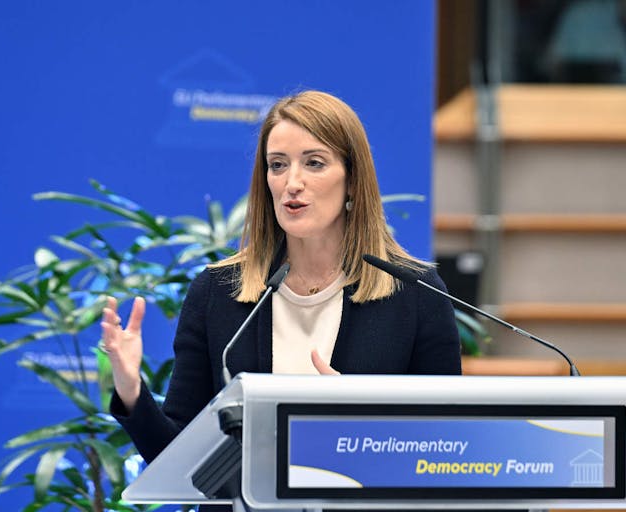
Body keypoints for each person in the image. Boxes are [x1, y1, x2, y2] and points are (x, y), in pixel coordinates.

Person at [100, 90, 462, 465]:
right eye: (277, 165)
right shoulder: (218, 292)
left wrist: (362, 427)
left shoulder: (415, 294)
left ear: (353, 180)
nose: (292, 182)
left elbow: (443, 446)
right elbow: (175, 460)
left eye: (314, 163)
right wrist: (131, 391)